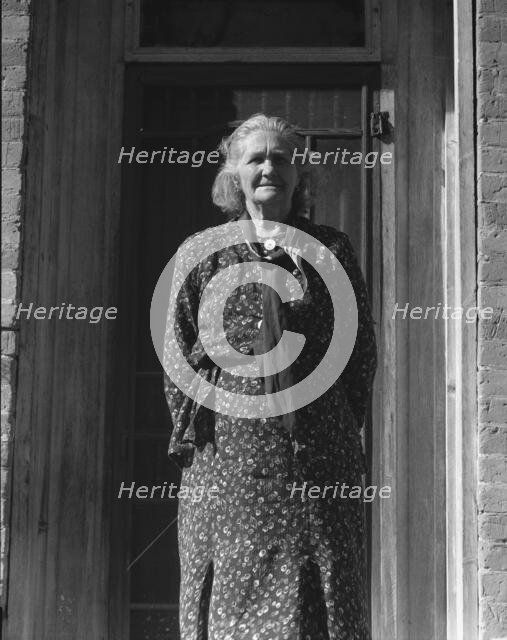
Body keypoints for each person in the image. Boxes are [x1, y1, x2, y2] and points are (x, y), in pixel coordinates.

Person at [163, 113, 377, 639]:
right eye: (255, 158)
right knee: (236, 586)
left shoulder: (332, 250)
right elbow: (178, 361)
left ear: (299, 175)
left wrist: (336, 424)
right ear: (233, 174)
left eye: (281, 158)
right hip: (229, 464)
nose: (269, 168)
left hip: (318, 454)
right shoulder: (200, 252)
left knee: (320, 580)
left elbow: (359, 352)